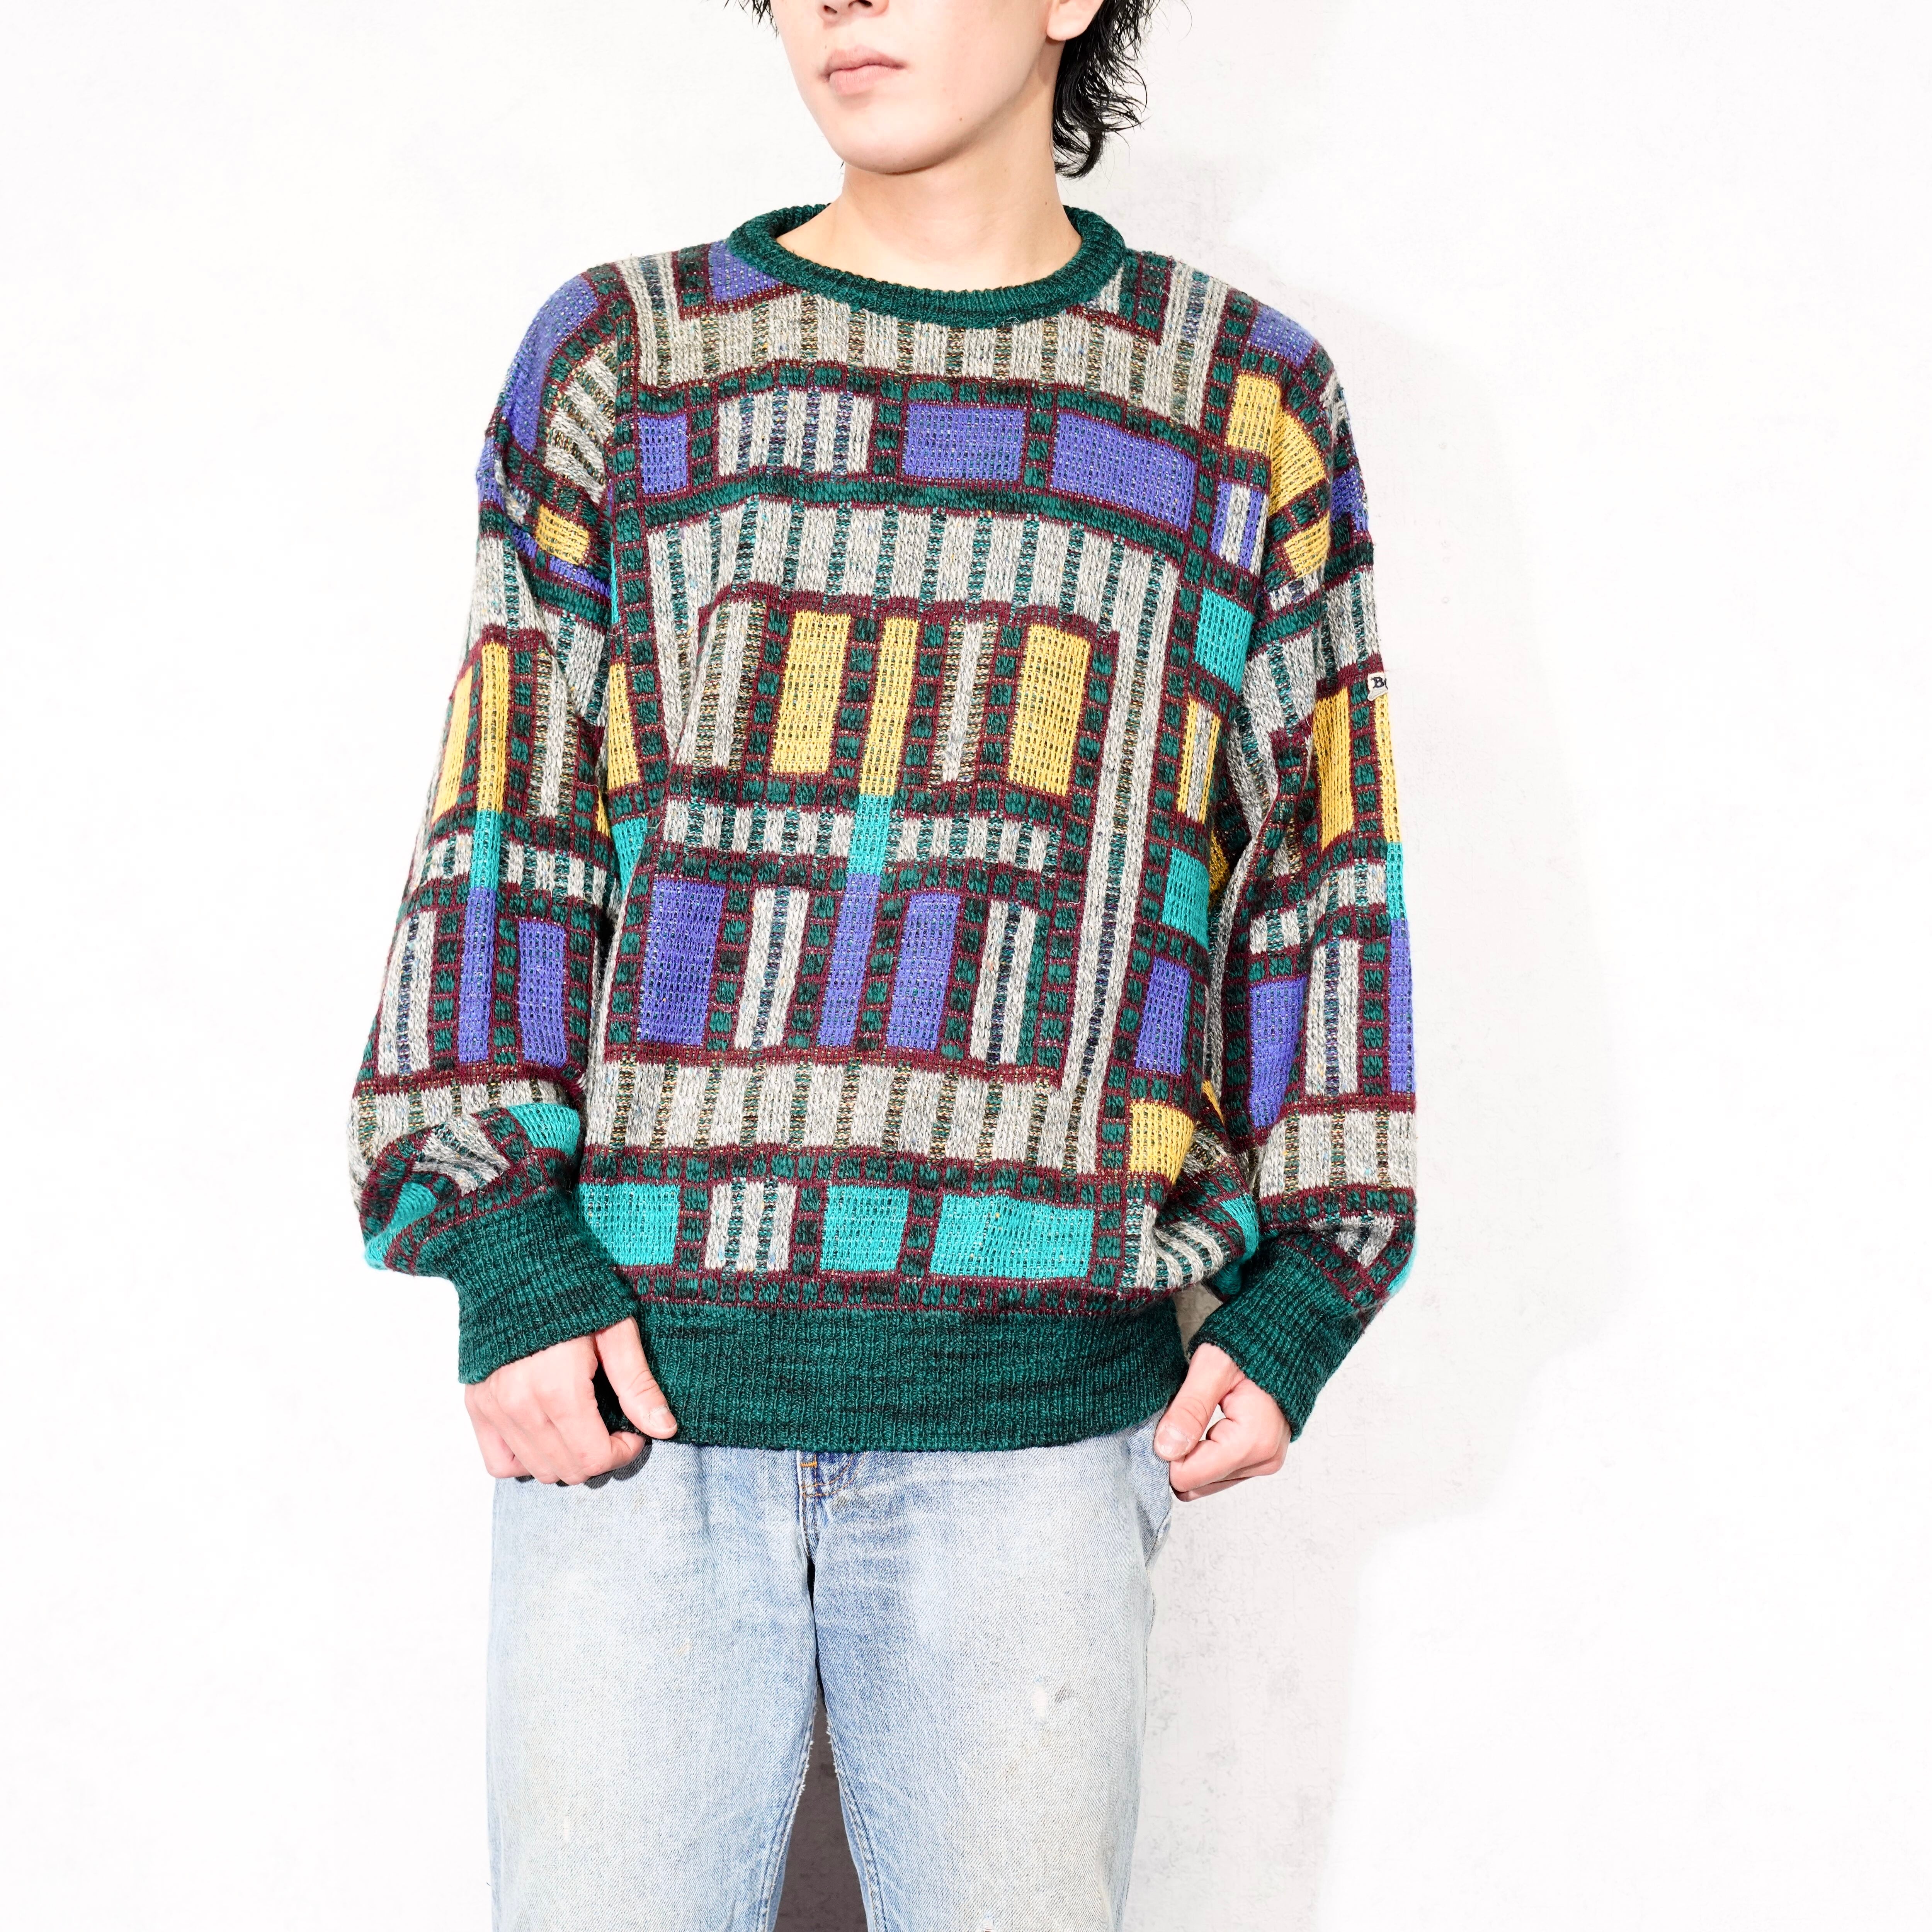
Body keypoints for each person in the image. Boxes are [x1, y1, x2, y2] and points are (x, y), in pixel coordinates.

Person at [345, 0, 1416, 1923]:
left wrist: (1311, 1279)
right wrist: (498, 1247)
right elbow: (506, 825)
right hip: (631, 1411)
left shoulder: (1237, 401)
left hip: (1041, 1427)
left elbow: (1317, 872)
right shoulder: (626, 363)